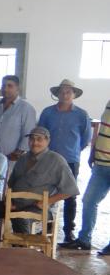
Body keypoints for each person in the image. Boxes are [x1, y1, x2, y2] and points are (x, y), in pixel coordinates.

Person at [0, 127, 79, 245]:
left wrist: (46, 202)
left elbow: (70, 190)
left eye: (39, 139)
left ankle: (22, 255)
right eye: (32, 139)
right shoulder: (23, 158)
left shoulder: (56, 161)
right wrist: (8, 200)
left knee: (20, 218)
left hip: (37, 207)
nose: (35, 143)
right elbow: (11, 183)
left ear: (47, 141)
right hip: (14, 204)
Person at [39, 79, 91, 244]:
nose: (65, 94)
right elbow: (41, 133)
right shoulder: (47, 112)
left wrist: (73, 150)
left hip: (71, 160)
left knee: (69, 195)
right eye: (62, 91)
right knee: (46, 192)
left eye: (69, 91)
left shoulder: (82, 115)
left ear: (74, 95)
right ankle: (46, 227)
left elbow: (85, 139)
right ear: (57, 94)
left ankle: (69, 232)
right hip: (49, 159)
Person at [65, 98, 110, 254]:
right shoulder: (109, 103)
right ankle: (84, 240)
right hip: (101, 164)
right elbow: (103, 130)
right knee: (89, 200)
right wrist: (93, 152)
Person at [0, 75, 37, 162]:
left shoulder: (26, 109)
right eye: (3, 86)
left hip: (12, 159)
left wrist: (17, 153)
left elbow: (28, 135)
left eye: (10, 86)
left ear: (17, 88)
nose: (5, 89)